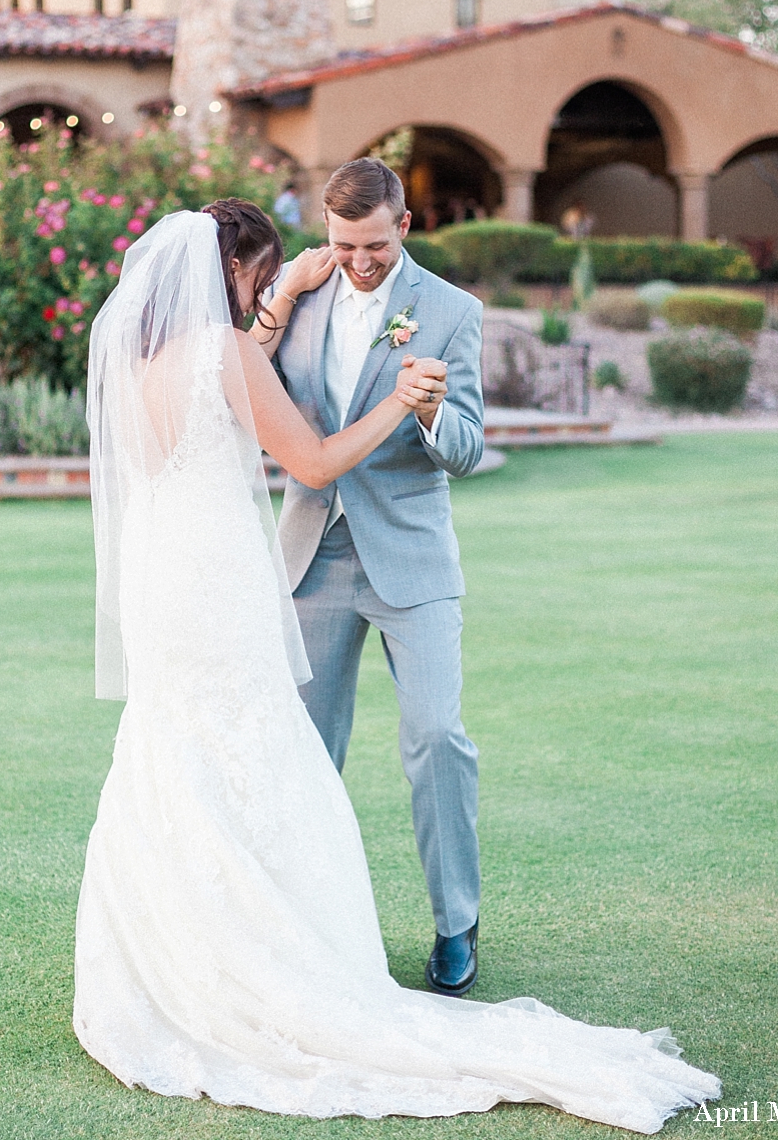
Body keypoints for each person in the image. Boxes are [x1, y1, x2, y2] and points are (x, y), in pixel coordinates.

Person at [75, 199, 721, 1130]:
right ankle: (279, 958)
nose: (270, 285)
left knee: (180, 749)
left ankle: (176, 960)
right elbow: (314, 459)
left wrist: (279, 305)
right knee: (261, 751)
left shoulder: (138, 360)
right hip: (222, 582)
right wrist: (397, 398)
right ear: (232, 271)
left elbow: (209, 420)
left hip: (165, 582)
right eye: (260, 274)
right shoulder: (227, 350)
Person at [253, 158, 483, 996]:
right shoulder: (297, 291)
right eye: (342, 242)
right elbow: (245, 381)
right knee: (305, 748)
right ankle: (304, 924)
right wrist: (281, 297)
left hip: (412, 562)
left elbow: (467, 447)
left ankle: (455, 921)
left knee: (435, 738)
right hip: (310, 556)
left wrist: (428, 411)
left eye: (374, 245)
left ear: (405, 227)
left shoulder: (453, 312)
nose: (358, 260)